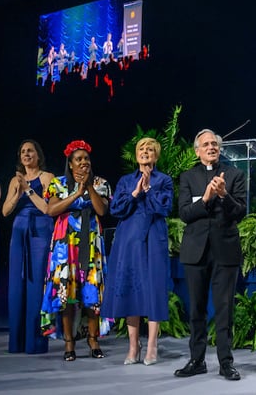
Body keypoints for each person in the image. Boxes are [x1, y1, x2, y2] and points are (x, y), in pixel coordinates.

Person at [174, 129, 247, 381]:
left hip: (225, 251)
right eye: (205, 144)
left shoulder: (235, 174)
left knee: (224, 309)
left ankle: (226, 363)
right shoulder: (188, 177)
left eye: (214, 144)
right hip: (195, 252)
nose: (211, 147)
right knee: (196, 309)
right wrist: (206, 197)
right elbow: (184, 214)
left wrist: (224, 195)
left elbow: (240, 212)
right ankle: (197, 360)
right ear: (197, 151)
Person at [101, 137, 174, 365]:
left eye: (150, 149)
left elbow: (165, 207)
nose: (145, 152)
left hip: (153, 237)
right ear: (136, 155)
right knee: (129, 289)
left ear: (156, 155)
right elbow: (115, 208)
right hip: (128, 240)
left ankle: (152, 345)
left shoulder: (164, 180)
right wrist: (134, 192)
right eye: (142, 149)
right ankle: (133, 346)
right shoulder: (125, 180)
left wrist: (148, 189)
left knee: (153, 288)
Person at [41, 140, 111, 361]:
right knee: (67, 293)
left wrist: (88, 187)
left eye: (86, 159)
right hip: (65, 247)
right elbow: (51, 210)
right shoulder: (57, 184)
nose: (83, 163)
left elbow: (102, 210)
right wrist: (75, 194)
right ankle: (69, 343)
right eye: (78, 159)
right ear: (70, 164)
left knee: (91, 292)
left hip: (91, 244)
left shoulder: (100, 183)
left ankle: (93, 339)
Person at [1, 140, 55, 354]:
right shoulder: (15, 180)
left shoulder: (47, 177)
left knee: (36, 286)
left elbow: (48, 208)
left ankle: (36, 342)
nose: (26, 154)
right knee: (17, 286)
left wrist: (29, 190)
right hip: (19, 231)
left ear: (38, 155)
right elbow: (5, 211)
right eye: (23, 151)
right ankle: (17, 342)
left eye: (30, 150)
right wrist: (17, 191)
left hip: (40, 231)